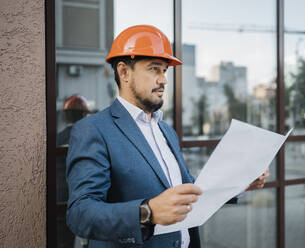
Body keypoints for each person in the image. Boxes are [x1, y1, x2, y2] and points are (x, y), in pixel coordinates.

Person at [66, 25, 269, 248]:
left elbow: (190, 190)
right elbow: (80, 214)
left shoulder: (166, 131)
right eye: (154, 69)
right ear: (124, 72)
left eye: (164, 71)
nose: (163, 80)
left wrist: (240, 182)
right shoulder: (93, 129)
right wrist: (147, 212)